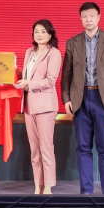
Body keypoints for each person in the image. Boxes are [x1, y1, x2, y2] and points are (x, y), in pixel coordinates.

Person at [61, 2, 104, 195]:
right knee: (83, 147)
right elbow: (66, 74)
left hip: (103, 98)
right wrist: (66, 99)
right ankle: (86, 191)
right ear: (80, 18)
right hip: (80, 99)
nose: (88, 19)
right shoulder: (72, 42)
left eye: (91, 16)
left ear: (98, 17)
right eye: (84, 16)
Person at [15, 19, 62, 195]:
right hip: (29, 106)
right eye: (36, 31)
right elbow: (27, 76)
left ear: (50, 34)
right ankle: (37, 187)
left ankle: (48, 187)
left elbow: (50, 80)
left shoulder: (54, 53)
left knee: (46, 149)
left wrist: (28, 83)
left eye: (43, 31)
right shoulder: (30, 52)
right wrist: (15, 71)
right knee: (34, 150)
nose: (39, 35)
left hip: (45, 107)